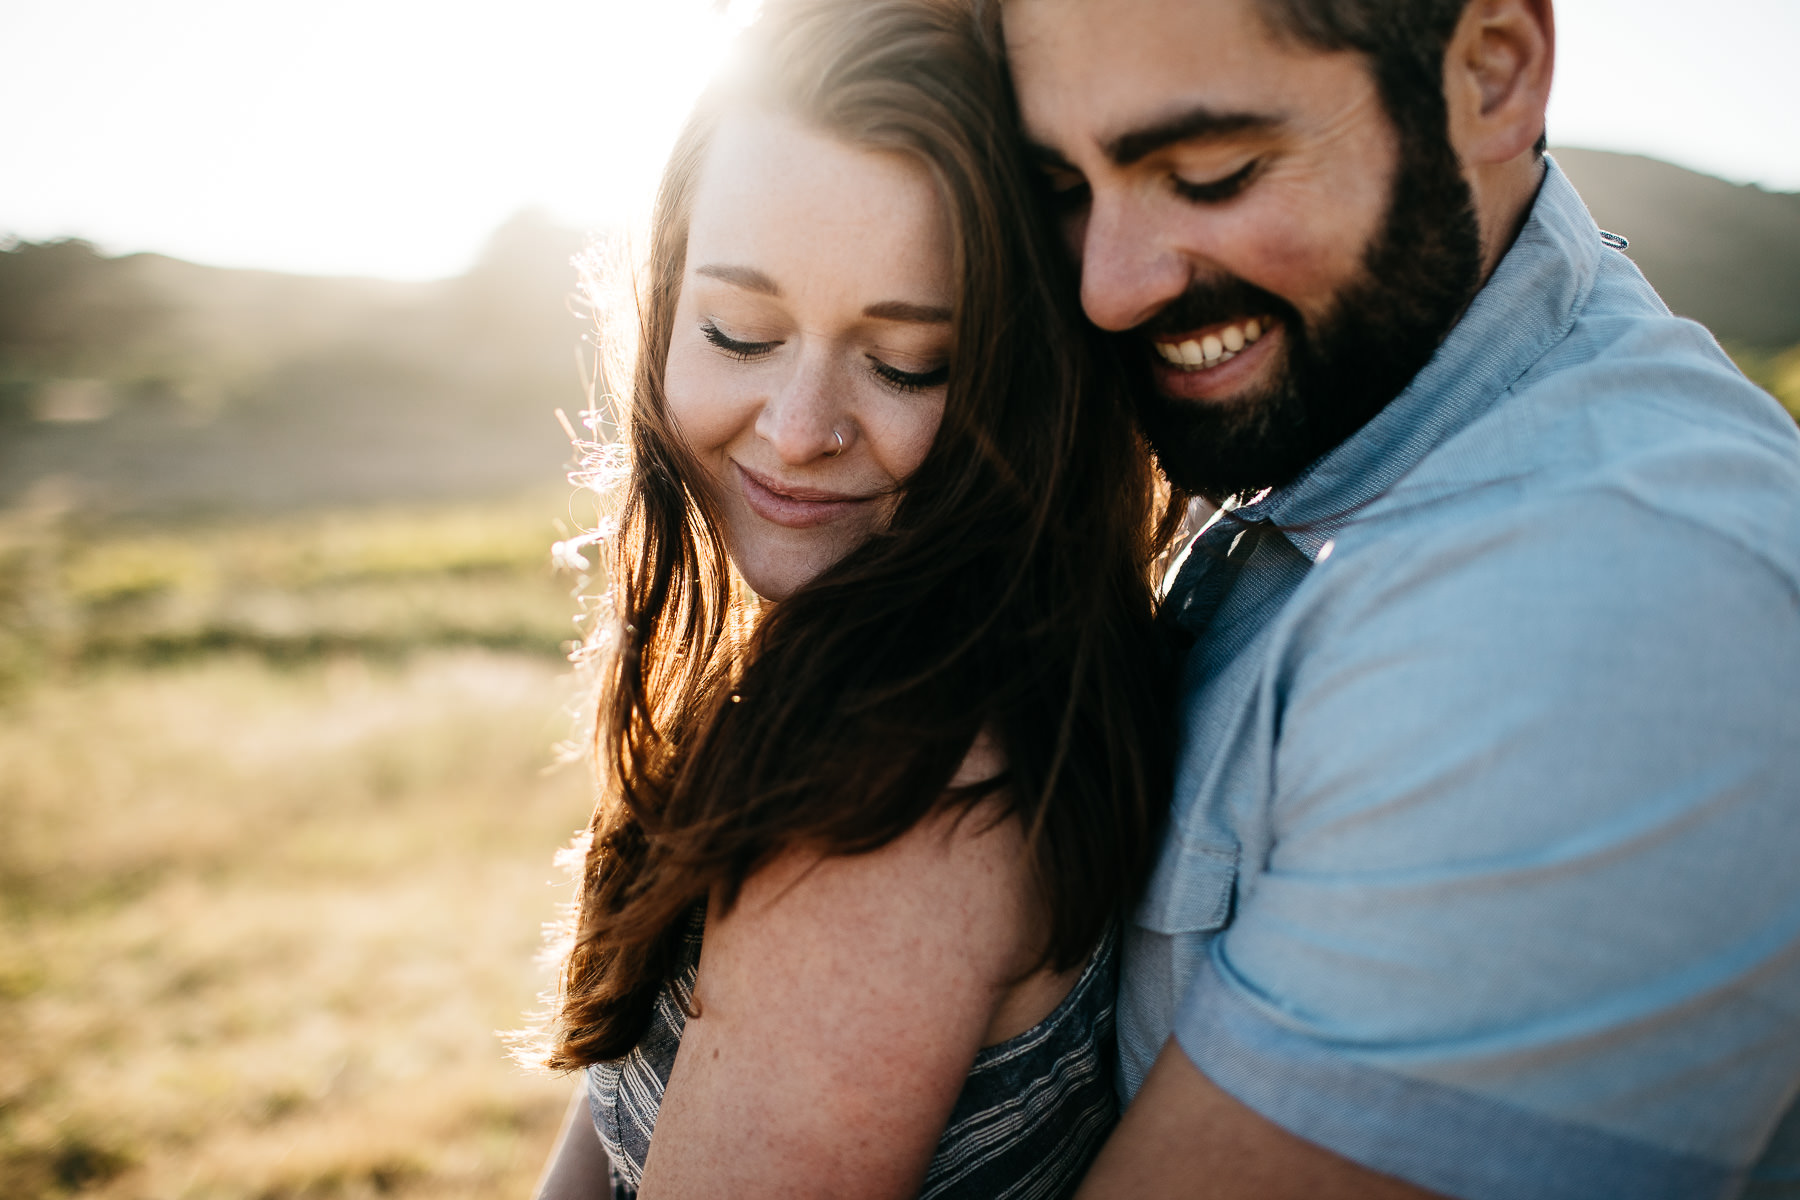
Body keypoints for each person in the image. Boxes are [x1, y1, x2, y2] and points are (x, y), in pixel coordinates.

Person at [984, 0, 1800, 1197]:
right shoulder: (1333, 426)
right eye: (1062, 185)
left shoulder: (1602, 605)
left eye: (1210, 172)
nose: (1109, 287)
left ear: (1492, 74)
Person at [529, 1, 1181, 1197]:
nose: (798, 431)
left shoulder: (897, 779)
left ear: (1024, 380)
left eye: (904, 363)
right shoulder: (858, 659)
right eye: (737, 332)